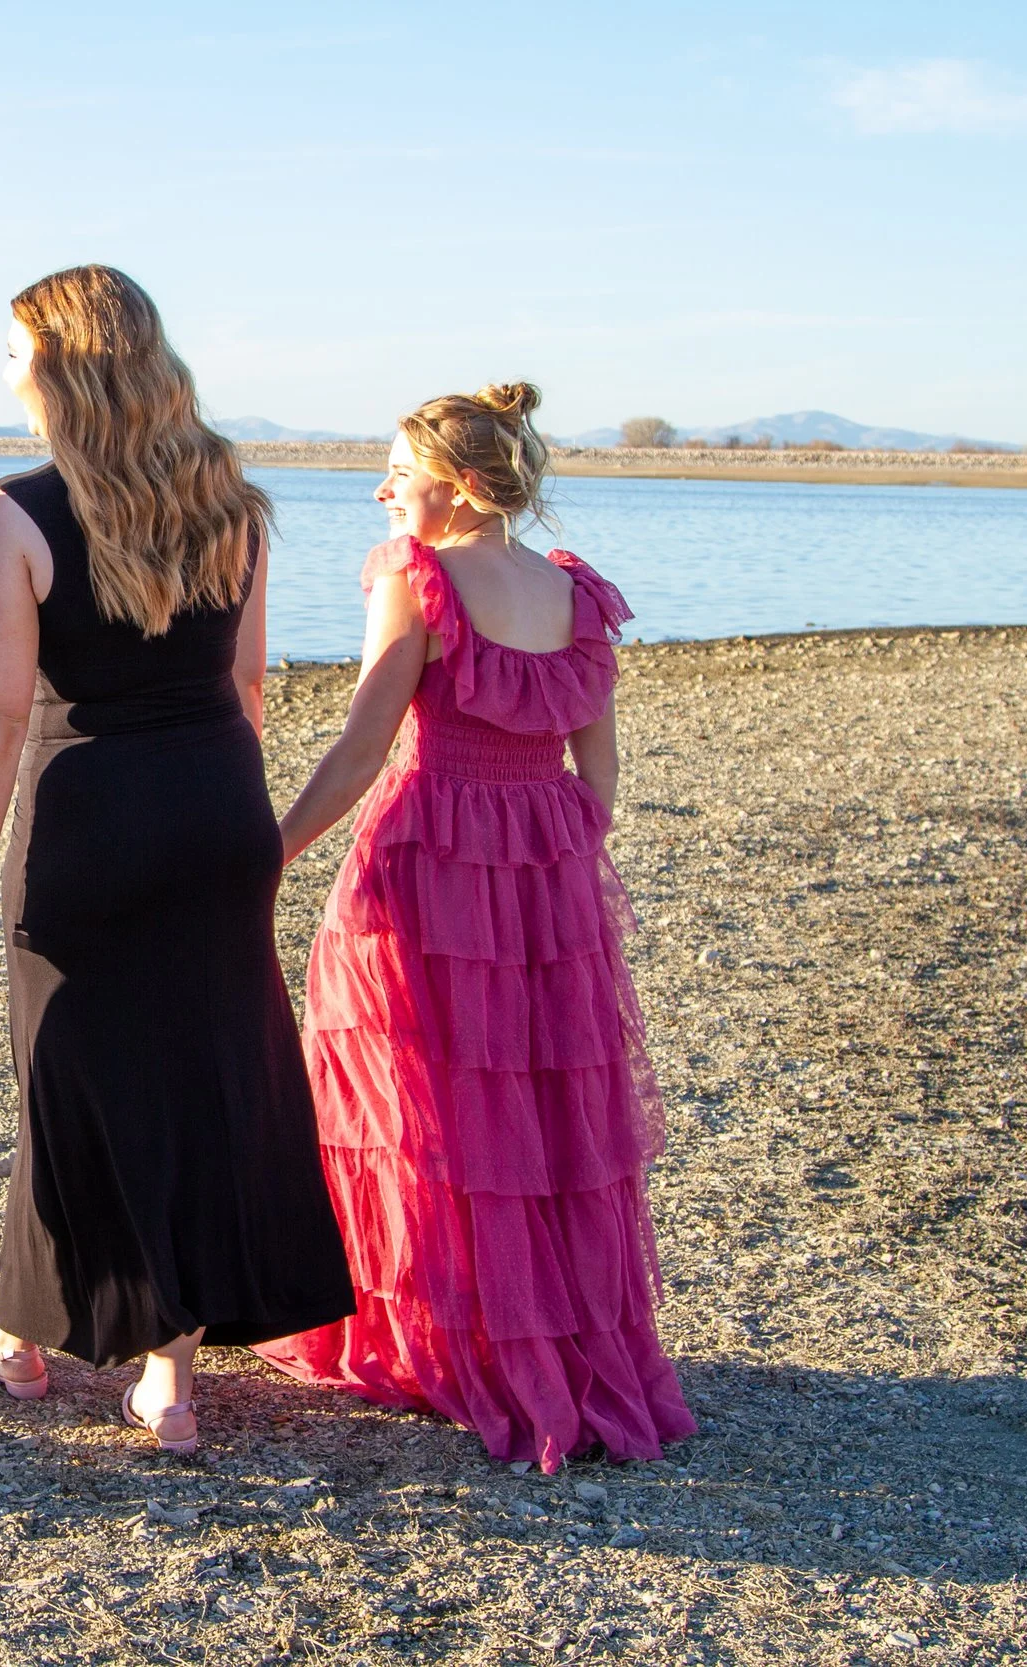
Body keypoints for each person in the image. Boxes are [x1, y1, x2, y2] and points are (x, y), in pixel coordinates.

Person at [0, 265, 352, 1451]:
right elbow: (252, 681)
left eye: (15, 349)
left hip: (90, 810)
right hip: (216, 799)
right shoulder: (233, 497)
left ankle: (27, 1335)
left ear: (63, 363)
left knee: (63, 1068)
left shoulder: (10, 514)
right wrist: (219, 814)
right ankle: (168, 1375)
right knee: (201, 1067)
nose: (6, 369)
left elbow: (0, 716)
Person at [253, 385, 695, 1473]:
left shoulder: (417, 575)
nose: (380, 489)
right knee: (533, 1102)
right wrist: (542, 850)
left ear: (449, 484)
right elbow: (599, 774)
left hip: (428, 850)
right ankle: (533, 1330)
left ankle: (438, 1332)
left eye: (395, 471)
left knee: (413, 1088)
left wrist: (264, 855)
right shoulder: (577, 592)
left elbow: (361, 751)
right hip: (545, 865)